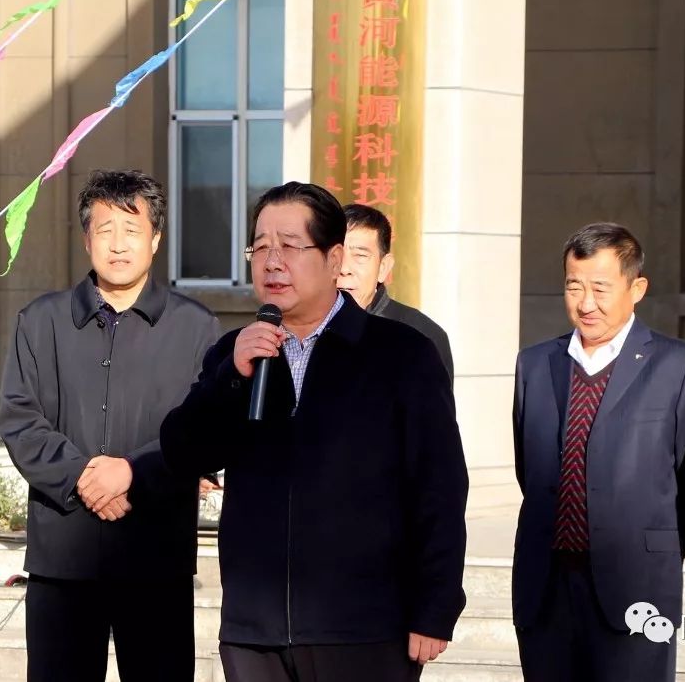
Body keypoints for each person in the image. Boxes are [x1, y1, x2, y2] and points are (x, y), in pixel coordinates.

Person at [78, 181, 468, 682]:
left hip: (366, 627)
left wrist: (435, 606)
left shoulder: (401, 353)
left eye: (289, 246)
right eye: (260, 247)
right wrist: (230, 378)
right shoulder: (235, 352)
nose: (272, 262)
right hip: (255, 632)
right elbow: (183, 450)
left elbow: (439, 486)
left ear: (333, 258)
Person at [0, 170, 219, 682]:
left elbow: (202, 429)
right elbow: (19, 416)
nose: (118, 245)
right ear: (86, 239)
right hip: (64, 557)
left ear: (155, 239)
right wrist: (81, 476)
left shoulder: (196, 327)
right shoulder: (41, 321)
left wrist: (133, 474)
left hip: (156, 555)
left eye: (132, 230)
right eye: (105, 230)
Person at [510, 223, 685, 681]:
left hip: (637, 584)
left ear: (636, 289)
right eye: (574, 286)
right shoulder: (535, 364)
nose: (586, 303)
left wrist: (652, 545)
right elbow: (531, 469)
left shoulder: (680, 366)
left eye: (600, 288)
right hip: (546, 587)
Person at [338, 203, 454, 380]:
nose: (344, 268)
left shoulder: (422, 335)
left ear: (383, 267)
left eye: (360, 255)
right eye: (336, 255)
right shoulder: (301, 331)